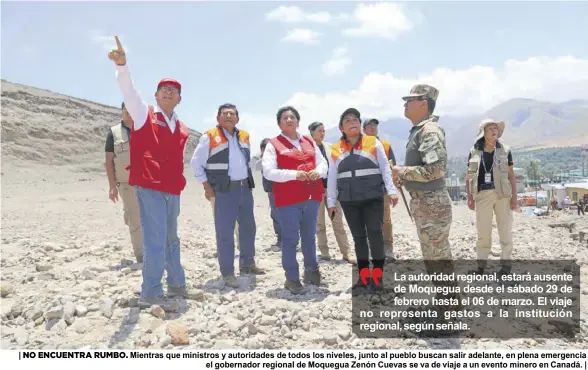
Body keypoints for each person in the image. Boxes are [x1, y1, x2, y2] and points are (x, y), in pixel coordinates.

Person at [109, 36, 200, 309]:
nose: (168, 92)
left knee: (172, 237)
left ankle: (177, 284)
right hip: (149, 186)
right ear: (156, 95)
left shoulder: (183, 128)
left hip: (172, 189)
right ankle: (150, 291)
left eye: (174, 89)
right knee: (155, 238)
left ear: (180, 98)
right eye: (164, 89)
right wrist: (123, 66)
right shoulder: (143, 114)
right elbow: (129, 92)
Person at [391, 84, 462, 317]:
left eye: (409, 100)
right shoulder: (418, 130)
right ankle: (447, 303)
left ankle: (449, 309)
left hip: (432, 202)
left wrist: (403, 172)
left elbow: (436, 169)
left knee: (437, 256)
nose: (405, 104)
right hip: (425, 202)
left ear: (423, 104)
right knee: (433, 255)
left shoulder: (428, 130)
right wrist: (406, 178)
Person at [190, 103, 265, 289]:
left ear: (237, 118)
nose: (229, 116)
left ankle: (247, 264)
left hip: (244, 189)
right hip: (224, 190)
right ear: (218, 118)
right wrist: (206, 186)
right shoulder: (209, 137)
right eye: (225, 114)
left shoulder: (245, 136)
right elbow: (195, 164)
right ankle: (228, 272)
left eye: (232, 114)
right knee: (225, 232)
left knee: (248, 228)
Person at [327, 108, 398, 289]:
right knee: (358, 238)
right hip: (349, 201)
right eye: (347, 120)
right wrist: (331, 201)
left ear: (359, 124)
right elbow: (332, 176)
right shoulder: (335, 149)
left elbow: (384, 167)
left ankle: (378, 277)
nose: (352, 122)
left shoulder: (373, 142)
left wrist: (391, 190)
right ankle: (363, 277)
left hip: (372, 197)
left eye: (355, 120)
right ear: (341, 127)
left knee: (375, 234)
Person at [262, 106, 327, 294]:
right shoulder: (273, 144)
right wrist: (294, 174)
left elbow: (322, 162)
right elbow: (269, 172)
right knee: (291, 239)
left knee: (309, 236)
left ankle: (312, 271)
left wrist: (319, 171)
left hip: (312, 196)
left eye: (292, 117)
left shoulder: (309, 141)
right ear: (279, 123)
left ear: (298, 121)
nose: (289, 120)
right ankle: (292, 278)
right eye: (284, 117)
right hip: (288, 199)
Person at [465, 119, 518, 279]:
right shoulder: (474, 151)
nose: (494, 131)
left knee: (505, 231)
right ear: (484, 132)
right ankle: (481, 267)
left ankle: (506, 267)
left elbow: (511, 175)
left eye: (496, 128)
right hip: (482, 195)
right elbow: (468, 177)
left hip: (502, 195)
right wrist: (469, 197)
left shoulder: (505, 150)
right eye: (490, 128)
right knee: (483, 232)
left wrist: (514, 197)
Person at [308, 121, 355, 264]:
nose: (322, 133)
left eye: (323, 130)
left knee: (337, 221)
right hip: (315, 190)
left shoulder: (329, 147)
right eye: (319, 130)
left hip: (331, 189)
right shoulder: (307, 148)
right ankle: (324, 252)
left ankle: (346, 252)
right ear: (312, 132)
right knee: (319, 223)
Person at [104, 102, 143, 264]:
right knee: (134, 218)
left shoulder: (144, 130)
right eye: (126, 111)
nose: (129, 114)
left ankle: (156, 252)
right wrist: (112, 186)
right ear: (121, 112)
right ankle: (142, 256)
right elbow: (108, 161)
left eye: (132, 111)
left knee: (151, 217)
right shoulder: (113, 133)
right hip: (126, 184)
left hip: (148, 182)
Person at [362, 118, 399, 260]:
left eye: (375, 125)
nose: (373, 128)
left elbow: (392, 168)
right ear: (364, 130)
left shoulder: (386, 145)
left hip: (382, 189)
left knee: (386, 220)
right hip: (366, 190)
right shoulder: (360, 146)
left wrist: (393, 189)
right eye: (369, 126)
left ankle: (388, 248)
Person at [260, 138, 282, 251]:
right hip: (271, 193)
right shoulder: (264, 161)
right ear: (262, 149)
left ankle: (284, 241)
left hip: (279, 192)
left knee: (280, 216)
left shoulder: (276, 160)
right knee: (275, 216)